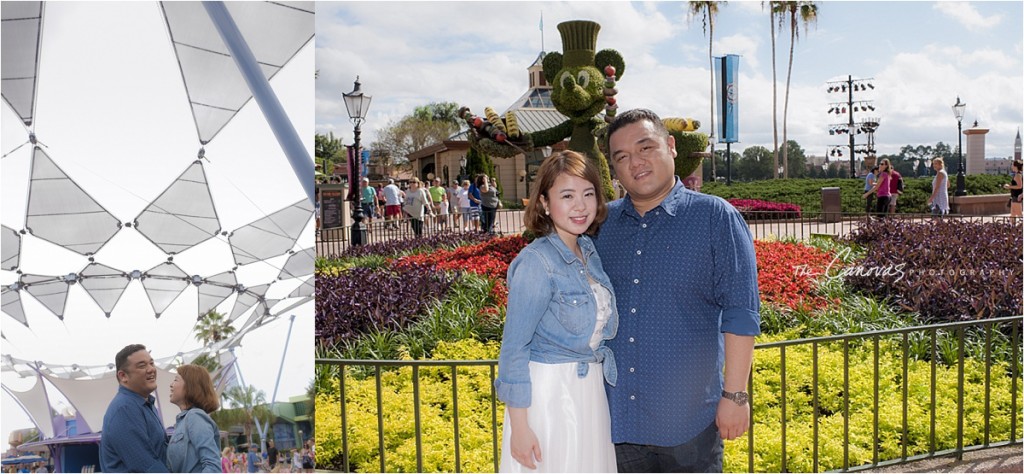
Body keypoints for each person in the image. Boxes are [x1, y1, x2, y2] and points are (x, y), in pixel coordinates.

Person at [598, 109, 760, 472]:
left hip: (688, 425)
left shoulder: (716, 218)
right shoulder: (601, 227)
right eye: (621, 157)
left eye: (645, 148)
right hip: (616, 421)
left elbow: (741, 312)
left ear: (671, 147)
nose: (634, 163)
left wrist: (735, 395)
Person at [495, 150, 618, 472]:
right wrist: (520, 427)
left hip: (590, 392)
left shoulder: (588, 252)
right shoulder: (536, 263)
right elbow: (514, 348)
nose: (580, 205)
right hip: (550, 397)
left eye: (588, 194)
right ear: (545, 204)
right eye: (567, 195)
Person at [100, 344, 169, 472]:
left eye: (152, 363)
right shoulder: (124, 410)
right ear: (123, 376)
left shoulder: (146, 404)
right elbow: (147, 467)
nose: (151, 369)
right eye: (142, 366)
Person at [167, 364, 221, 472]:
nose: (171, 385)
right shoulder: (185, 420)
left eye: (176, 380)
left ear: (190, 386)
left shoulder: (195, 416)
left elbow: (212, 467)